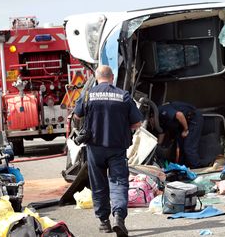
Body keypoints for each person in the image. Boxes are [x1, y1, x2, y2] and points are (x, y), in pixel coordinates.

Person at [74, 65, 142, 237]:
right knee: (118, 182)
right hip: (117, 148)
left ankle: (104, 222)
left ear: (97, 78)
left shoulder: (88, 94)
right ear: (112, 77)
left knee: (98, 184)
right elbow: (137, 123)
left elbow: (77, 115)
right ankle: (118, 217)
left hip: (95, 148)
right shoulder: (123, 95)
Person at [157, 101, 203, 169]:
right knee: (180, 147)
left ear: (152, 117)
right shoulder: (160, 119)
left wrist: (185, 130)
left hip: (193, 119)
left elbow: (179, 115)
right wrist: (158, 145)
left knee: (188, 147)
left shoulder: (161, 110)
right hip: (182, 124)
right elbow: (162, 132)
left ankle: (198, 167)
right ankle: (183, 167)